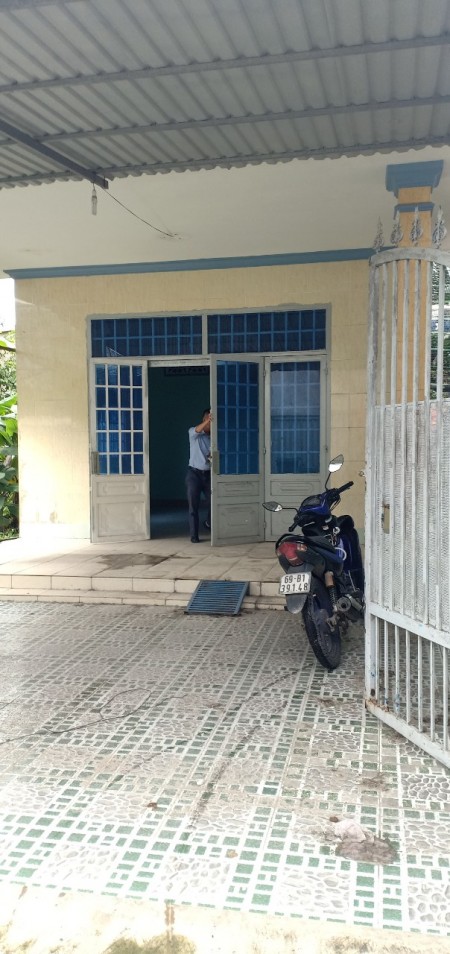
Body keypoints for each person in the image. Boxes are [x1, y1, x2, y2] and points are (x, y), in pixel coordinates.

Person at [185, 409, 212, 543]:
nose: (210, 423)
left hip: (208, 474)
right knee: (193, 506)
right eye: (208, 420)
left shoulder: (213, 438)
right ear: (204, 420)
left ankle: (209, 523)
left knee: (214, 502)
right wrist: (208, 420)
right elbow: (197, 430)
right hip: (194, 474)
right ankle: (194, 535)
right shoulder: (193, 433)